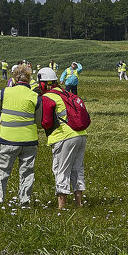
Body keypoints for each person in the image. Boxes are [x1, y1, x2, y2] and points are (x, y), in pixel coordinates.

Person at [0, 63, 42, 207]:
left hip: (7, 140)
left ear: (14, 77)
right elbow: (39, 122)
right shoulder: (35, 97)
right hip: (29, 141)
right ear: (28, 79)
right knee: (27, 173)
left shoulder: (4, 92)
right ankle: (24, 201)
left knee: (2, 171)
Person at [37, 67, 87, 209]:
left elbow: (46, 122)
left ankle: (61, 206)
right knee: (77, 169)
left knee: (61, 169)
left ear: (43, 84)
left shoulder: (48, 97)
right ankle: (78, 203)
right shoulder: (66, 94)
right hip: (81, 134)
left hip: (64, 137)